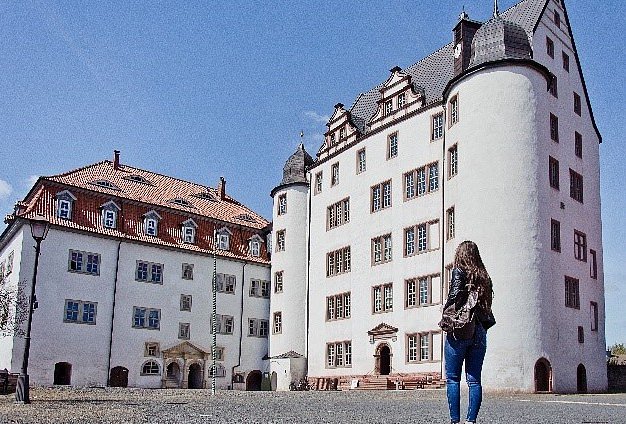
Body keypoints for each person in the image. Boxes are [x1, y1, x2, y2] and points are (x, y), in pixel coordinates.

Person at [443, 241, 496, 424]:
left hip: (461, 329)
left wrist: (446, 315)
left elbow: (454, 296)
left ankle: (455, 420)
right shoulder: (485, 277)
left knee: (453, 378)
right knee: (474, 380)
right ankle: (471, 421)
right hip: (480, 330)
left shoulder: (459, 271)